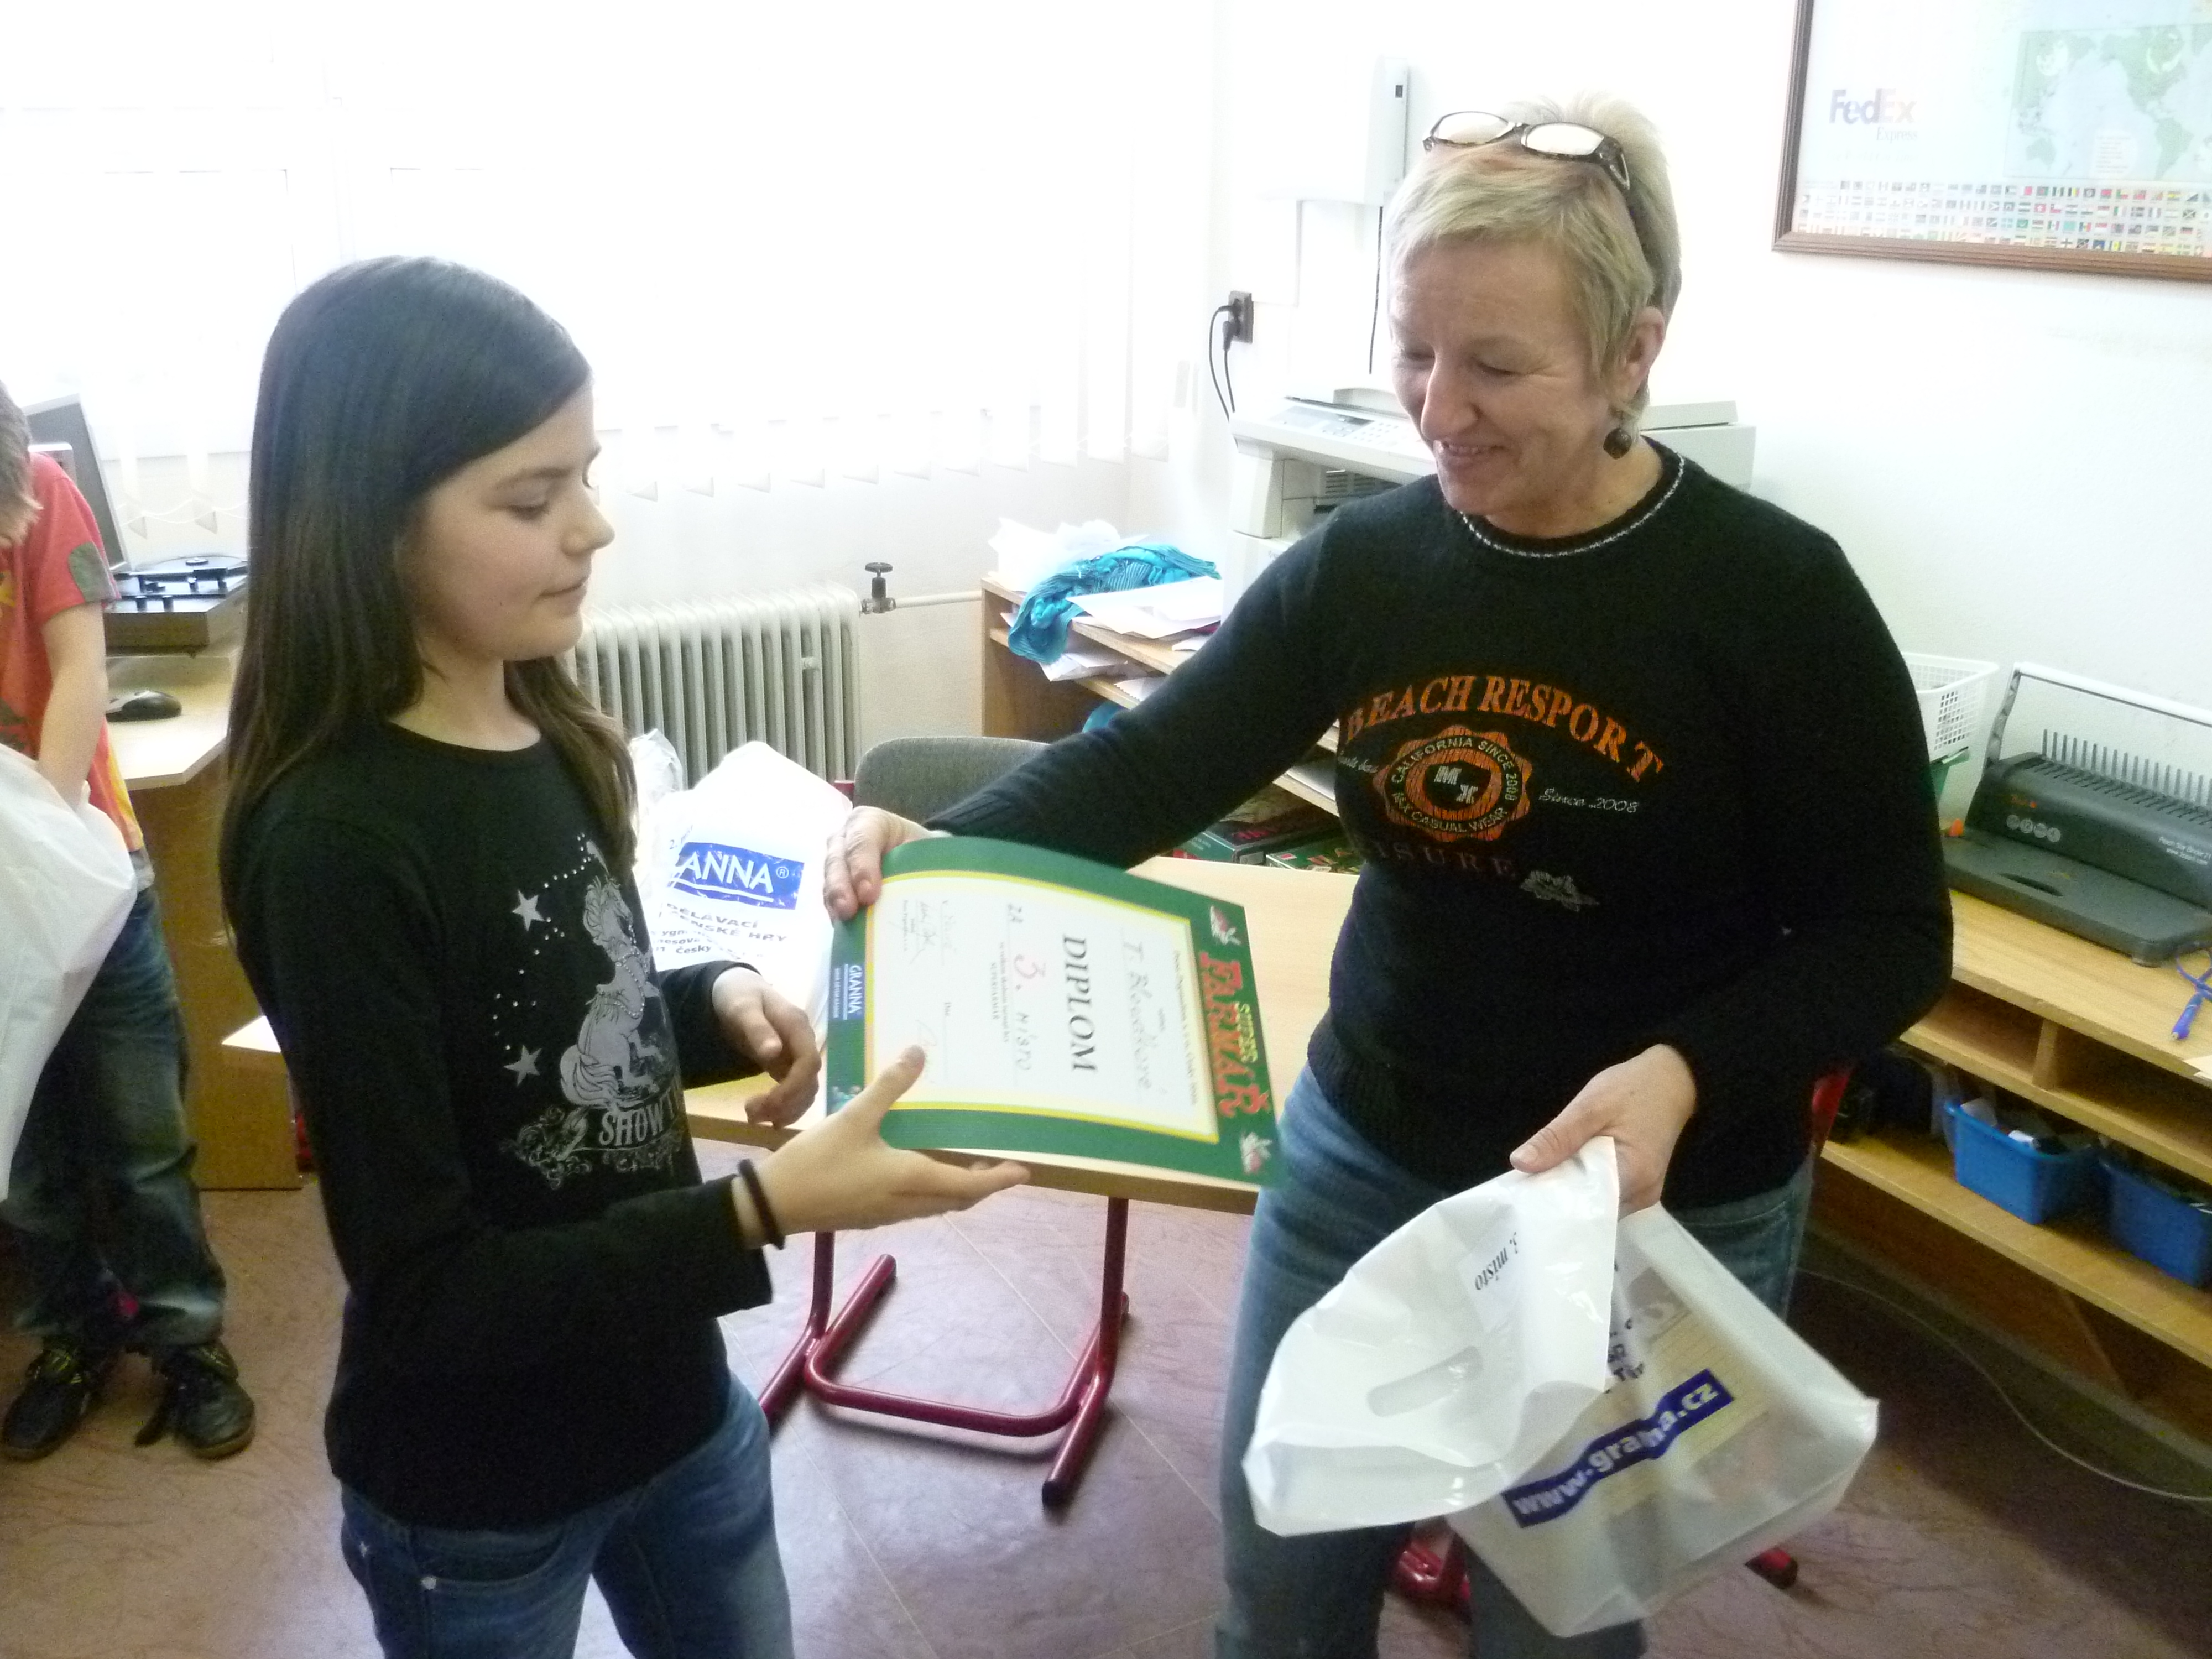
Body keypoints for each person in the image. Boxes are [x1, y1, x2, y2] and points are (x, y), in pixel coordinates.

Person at [826, 96, 1952, 1658]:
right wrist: (954, 851)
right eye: (1414, 352)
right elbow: (1152, 767)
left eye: (1495, 365)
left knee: (1550, 1626)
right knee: (1281, 1600)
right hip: (1372, 1148)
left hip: (1637, 1209)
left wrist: (1687, 1071)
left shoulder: (1774, 599)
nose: (1438, 410)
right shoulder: (1370, 568)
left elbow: (1888, 936)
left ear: (1634, 354)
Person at [218, 258, 1026, 1659]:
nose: (591, 527)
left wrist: (714, 1006)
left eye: (585, 476)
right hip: (479, 1494)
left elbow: (549, 1023)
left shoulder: (550, 731)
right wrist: (757, 1210)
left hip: (676, 1412)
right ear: (372, 521)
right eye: (530, 499)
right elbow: (427, 1290)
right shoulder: (334, 845)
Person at [0, 382, 254, 1462]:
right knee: (24, 1161)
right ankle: (75, 1337)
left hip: (84, 873)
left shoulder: (40, 490)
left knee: (141, 1136)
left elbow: (78, 673)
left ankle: (188, 1340)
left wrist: (41, 848)